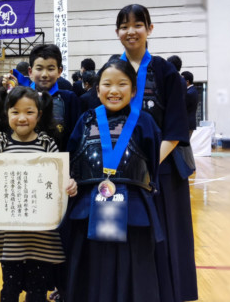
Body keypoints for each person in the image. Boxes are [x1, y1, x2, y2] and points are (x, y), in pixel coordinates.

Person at [0, 86, 77, 301]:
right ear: (6, 114)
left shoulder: (47, 143)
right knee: (9, 288)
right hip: (10, 235)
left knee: (38, 289)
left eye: (29, 112)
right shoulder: (1, 143)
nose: (22, 118)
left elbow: (60, 178)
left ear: (39, 115)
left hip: (42, 235)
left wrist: (70, 184)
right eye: (15, 112)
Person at [115, 4, 196, 301]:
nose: (131, 31)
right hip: (120, 171)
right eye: (124, 26)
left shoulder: (165, 72)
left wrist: (146, 166)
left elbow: (176, 129)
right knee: (126, 237)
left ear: (150, 29)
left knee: (166, 239)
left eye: (138, 24)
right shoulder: (112, 69)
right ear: (117, 32)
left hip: (160, 171)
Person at [65, 57, 164, 301]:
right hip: (88, 207)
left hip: (133, 210)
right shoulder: (85, 119)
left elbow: (152, 165)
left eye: (122, 84)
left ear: (133, 90)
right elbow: (70, 161)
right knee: (89, 271)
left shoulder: (144, 122)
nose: (114, 91)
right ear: (97, 89)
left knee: (133, 273)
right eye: (107, 84)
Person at [23, 44, 80, 151]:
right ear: (30, 72)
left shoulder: (69, 99)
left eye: (50, 69)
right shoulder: (22, 99)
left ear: (59, 72)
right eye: (39, 69)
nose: (44, 74)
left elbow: (75, 138)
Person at [182, 71, 199, 138]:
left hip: (187, 123)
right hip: (189, 123)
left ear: (187, 81)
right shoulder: (192, 90)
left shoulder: (189, 93)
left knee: (185, 145)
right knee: (185, 145)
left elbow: (183, 107)